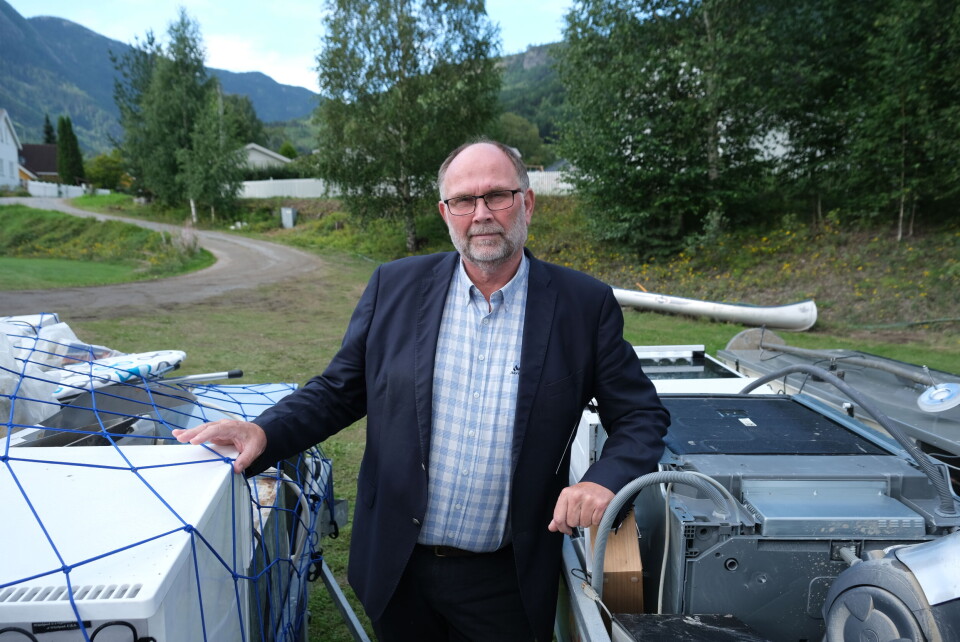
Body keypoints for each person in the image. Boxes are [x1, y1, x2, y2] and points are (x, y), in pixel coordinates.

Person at [173, 139, 669, 641]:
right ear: (444, 212)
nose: (481, 214)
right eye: (463, 201)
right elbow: (339, 391)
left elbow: (640, 416)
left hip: (507, 579)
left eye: (497, 195)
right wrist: (264, 430)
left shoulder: (582, 305)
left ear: (527, 202)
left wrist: (603, 480)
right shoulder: (395, 286)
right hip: (399, 568)